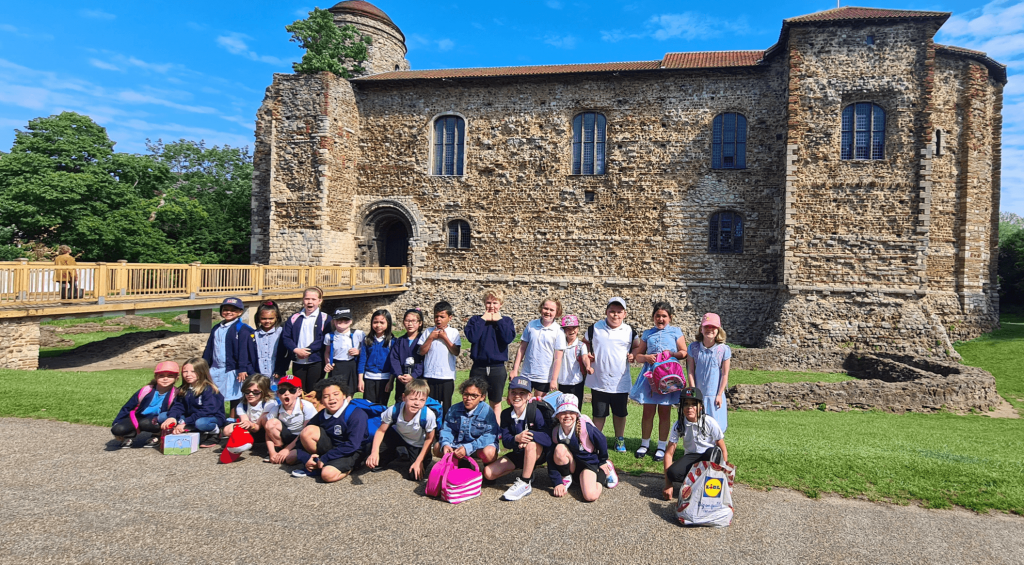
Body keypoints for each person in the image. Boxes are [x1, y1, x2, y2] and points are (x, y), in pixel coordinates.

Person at [629, 301, 688, 461]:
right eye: (657, 316)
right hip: (651, 376)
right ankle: (644, 443)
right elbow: (638, 356)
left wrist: (672, 354)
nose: (660, 319)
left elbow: (684, 352)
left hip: (668, 376)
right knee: (648, 412)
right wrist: (646, 357)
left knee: (664, 412)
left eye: (664, 316)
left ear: (670, 317)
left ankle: (662, 446)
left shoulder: (675, 332)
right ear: (653, 317)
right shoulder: (648, 333)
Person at [584, 297, 639, 453]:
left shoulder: (629, 331)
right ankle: (596, 440)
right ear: (606, 312)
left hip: (619, 381)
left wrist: (633, 355)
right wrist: (588, 353)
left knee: (620, 413)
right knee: (599, 413)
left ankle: (619, 440)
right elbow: (585, 342)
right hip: (599, 380)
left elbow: (636, 346)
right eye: (612, 311)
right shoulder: (594, 328)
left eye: (619, 312)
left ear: (625, 314)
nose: (615, 315)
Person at [484, 376, 553, 501]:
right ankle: (527, 471)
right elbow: (506, 442)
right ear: (509, 394)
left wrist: (528, 436)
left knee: (531, 445)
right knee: (488, 474)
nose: (517, 396)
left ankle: (525, 482)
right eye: (513, 392)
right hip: (518, 453)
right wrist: (516, 438)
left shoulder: (535, 412)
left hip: (538, 453)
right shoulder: (505, 414)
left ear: (528, 396)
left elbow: (548, 439)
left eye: (522, 393)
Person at [292, 380, 367, 483]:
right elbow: (303, 435)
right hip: (332, 448)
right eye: (326, 396)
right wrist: (308, 456)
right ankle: (318, 462)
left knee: (327, 475)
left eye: (336, 394)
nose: (331, 398)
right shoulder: (322, 414)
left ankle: (351, 467)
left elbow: (353, 445)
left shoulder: (357, 414)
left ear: (344, 395)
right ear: (321, 400)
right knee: (304, 436)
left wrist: (325, 458)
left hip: (352, 452)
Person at [547, 394, 618, 501]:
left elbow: (602, 440)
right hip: (572, 465)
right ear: (557, 415)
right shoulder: (555, 431)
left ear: (576, 414)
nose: (567, 415)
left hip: (588, 464)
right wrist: (557, 482)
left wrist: (602, 460)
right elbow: (550, 458)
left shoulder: (586, 428)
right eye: (563, 412)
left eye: (571, 412)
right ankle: (566, 476)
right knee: (559, 449)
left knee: (590, 496)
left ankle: (604, 470)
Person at [662, 387, 728, 501]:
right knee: (673, 473)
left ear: (700, 407)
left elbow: (723, 449)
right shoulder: (678, 425)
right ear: (681, 407)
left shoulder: (709, 421)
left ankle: (711, 482)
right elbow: (669, 454)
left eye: (693, 404)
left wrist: (724, 474)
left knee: (713, 452)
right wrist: (668, 485)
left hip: (708, 456)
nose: (689, 407)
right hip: (691, 456)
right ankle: (697, 482)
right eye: (686, 404)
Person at [366, 379, 437, 481]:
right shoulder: (394, 410)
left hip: (417, 443)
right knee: (374, 462)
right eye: (413, 399)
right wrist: (374, 452)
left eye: (422, 400)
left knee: (415, 476)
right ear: (404, 397)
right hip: (398, 435)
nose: (417, 403)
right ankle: (395, 453)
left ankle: (421, 457)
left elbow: (430, 439)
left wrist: (419, 461)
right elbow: (381, 431)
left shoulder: (428, 415)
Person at [464, 288, 516, 421]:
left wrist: (499, 321)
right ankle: (475, 428)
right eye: (488, 303)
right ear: (484, 303)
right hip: (479, 367)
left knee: (496, 403)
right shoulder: (476, 320)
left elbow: (507, 338)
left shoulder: (506, 321)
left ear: (501, 304)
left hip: (497, 368)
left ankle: (495, 432)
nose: (491, 306)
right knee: (476, 401)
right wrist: (483, 320)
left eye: (495, 303)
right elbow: (472, 337)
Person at [201, 297, 257, 417]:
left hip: (232, 369)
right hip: (216, 368)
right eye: (225, 309)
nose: (229, 312)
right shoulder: (216, 328)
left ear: (240, 312)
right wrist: (204, 365)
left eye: (233, 310)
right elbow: (209, 348)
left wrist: (242, 368)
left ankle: (232, 418)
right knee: (215, 394)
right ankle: (217, 417)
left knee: (234, 395)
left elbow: (243, 351)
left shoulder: (242, 329)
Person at [110, 361, 179, 448]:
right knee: (117, 429)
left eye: (170, 376)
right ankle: (129, 436)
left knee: (145, 423)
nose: (165, 379)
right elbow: (128, 406)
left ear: (176, 378)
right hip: (138, 416)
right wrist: (117, 421)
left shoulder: (175, 393)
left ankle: (157, 435)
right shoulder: (146, 390)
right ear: (156, 377)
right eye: (161, 376)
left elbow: (178, 409)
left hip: (158, 419)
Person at [163, 357, 226, 448]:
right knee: (163, 416)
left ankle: (215, 433)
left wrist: (185, 422)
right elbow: (178, 405)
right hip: (191, 417)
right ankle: (186, 431)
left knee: (201, 423)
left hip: (210, 418)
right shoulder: (184, 389)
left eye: (193, 371)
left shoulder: (209, 389)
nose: (188, 374)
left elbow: (208, 411)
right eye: (185, 371)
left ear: (202, 372)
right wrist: (172, 417)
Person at [434, 377, 498, 466]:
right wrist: (446, 443)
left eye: (474, 395)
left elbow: (490, 436)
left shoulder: (487, 411)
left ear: (482, 397)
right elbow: (447, 429)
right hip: (458, 445)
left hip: (477, 447)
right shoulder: (454, 409)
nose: (468, 398)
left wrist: (468, 447)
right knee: (437, 447)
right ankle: (461, 464)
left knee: (489, 452)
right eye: (466, 394)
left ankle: (488, 471)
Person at [510, 298, 566, 397]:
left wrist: (554, 379)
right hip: (526, 374)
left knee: (539, 406)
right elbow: (521, 349)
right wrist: (515, 370)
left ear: (557, 312)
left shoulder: (558, 331)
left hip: (544, 377)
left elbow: (558, 358)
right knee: (522, 405)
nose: (548, 312)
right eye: (546, 308)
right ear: (541, 309)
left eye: (551, 310)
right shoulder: (531, 325)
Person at [686, 313, 731, 432]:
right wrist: (694, 391)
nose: (709, 329)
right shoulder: (693, 348)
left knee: (716, 426)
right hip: (699, 393)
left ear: (718, 330)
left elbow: (725, 374)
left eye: (713, 327)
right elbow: (690, 370)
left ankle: (715, 449)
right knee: (697, 423)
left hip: (715, 394)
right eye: (706, 327)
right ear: (701, 329)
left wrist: (719, 394)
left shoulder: (723, 349)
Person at [280, 287, 331, 391]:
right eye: (307, 299)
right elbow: (286, 336)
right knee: (299, 390)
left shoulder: (325, 318)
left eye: (313, 299)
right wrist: (296, 350)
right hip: (298, 361)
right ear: (303, 300)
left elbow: (324, 338)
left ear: (319, 301)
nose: (310, 302)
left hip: (316, 361)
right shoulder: (294, 318)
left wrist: (309, 350)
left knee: (314, 392)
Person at [417, 301, 462, 414]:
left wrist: (445, 338)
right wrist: (431, 338)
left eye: (442, 317)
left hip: (446, 376)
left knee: (445, 406)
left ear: (449, 317)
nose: (438, 319)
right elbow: (421, 352)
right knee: (429, 405)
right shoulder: (428, 331)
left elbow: (455, 351)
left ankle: (444, 429)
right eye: (436, 316)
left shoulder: (453, 332)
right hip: (430, 375)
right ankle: (431, 429)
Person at [263, 375, 317, 464]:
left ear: (299, 392)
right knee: (270, 423)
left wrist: (287, 450)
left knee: (289, 460)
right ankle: (278, 449)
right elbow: (267, 432)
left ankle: (291, 451)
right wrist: (272, 452)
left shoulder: (306, 406)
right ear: (278, 393)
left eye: (292, 390)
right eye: (282, 390)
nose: (286, 393)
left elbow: (306, 431)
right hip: (286, 437)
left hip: (301, 438)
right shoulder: (276, 409)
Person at [223, 374, 274, 446]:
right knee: (227, 430)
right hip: (251, 430)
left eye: (256, 391)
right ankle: (242, 441)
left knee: (266, 420)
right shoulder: (242, 405)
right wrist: (246, 423)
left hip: (265, 432)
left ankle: (271, 446)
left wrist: (251, 425)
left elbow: (257, 427)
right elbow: (245, 421)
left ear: (264, 392)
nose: (250, 394)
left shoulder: (269, 404)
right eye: (247, 391)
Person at [324, 307, 364, 394]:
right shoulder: (329, 336)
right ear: (334, 321)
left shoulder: (358, 334)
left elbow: (366, 350)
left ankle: (348, 406)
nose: (342, 322)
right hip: (336, 366)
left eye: (346, 319)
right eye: (339, 319)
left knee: (350, 392)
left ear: (351, 321)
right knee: (336, 391)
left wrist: (358, 351)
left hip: (351, 365)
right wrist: (328, 363)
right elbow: (327, 352)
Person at [388, 308, 425, 401]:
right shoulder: (400, 341)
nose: (410, 324)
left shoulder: (423, 340)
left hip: (418, 380)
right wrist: (399, 375)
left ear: (420, 323)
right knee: (401, 403)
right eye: (407, 321)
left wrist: (413, 375)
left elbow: (423, 360)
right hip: (402, 380)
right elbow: (394, 358)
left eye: (413, 321)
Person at [358, 309, 394, 405]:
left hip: (384, 379)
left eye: (382, 322)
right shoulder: (367, 340)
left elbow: (393, 363)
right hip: (369, 378)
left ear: (388, 323)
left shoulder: (392, 341)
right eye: (375, 322)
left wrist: (390, 382)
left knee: (382, 406)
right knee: (368, 405)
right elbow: (362, 360)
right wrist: (360, 380)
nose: (378, 325)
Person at [251, 300, 288, 390]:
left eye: (271, 318)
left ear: (277, 318)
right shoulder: (253, 335)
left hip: (276, 376)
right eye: (263, 318)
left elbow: (287, 354)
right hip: (259, 376)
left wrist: (280, 370)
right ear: (258, 318)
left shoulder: (282, 333)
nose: (267, 321)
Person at [556, 314, 592, 402]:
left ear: (578, 329)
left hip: (576, 381)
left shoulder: (581, 345)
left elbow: (584, 357)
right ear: (564, 330)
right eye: (568, 328)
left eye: (574, 328)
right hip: (562, 381)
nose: (571, 331)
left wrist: (588, 366)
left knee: (576, 407)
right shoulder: (559, 344)